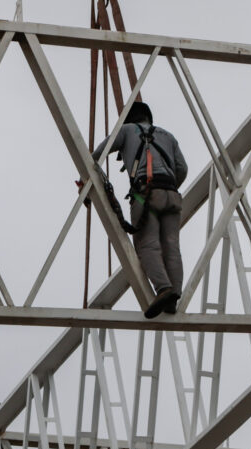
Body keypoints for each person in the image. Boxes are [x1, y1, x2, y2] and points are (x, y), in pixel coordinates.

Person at [91, 101, 188, 319]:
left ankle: (163, 288)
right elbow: (182, 169)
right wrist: (168, 185)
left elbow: (99, 152)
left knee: (148, 244)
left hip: (145, 193)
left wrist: (86, 178)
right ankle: (175, 294)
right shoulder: (168, 136)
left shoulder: (126, 130)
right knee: (171, 245)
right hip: (172, 194)